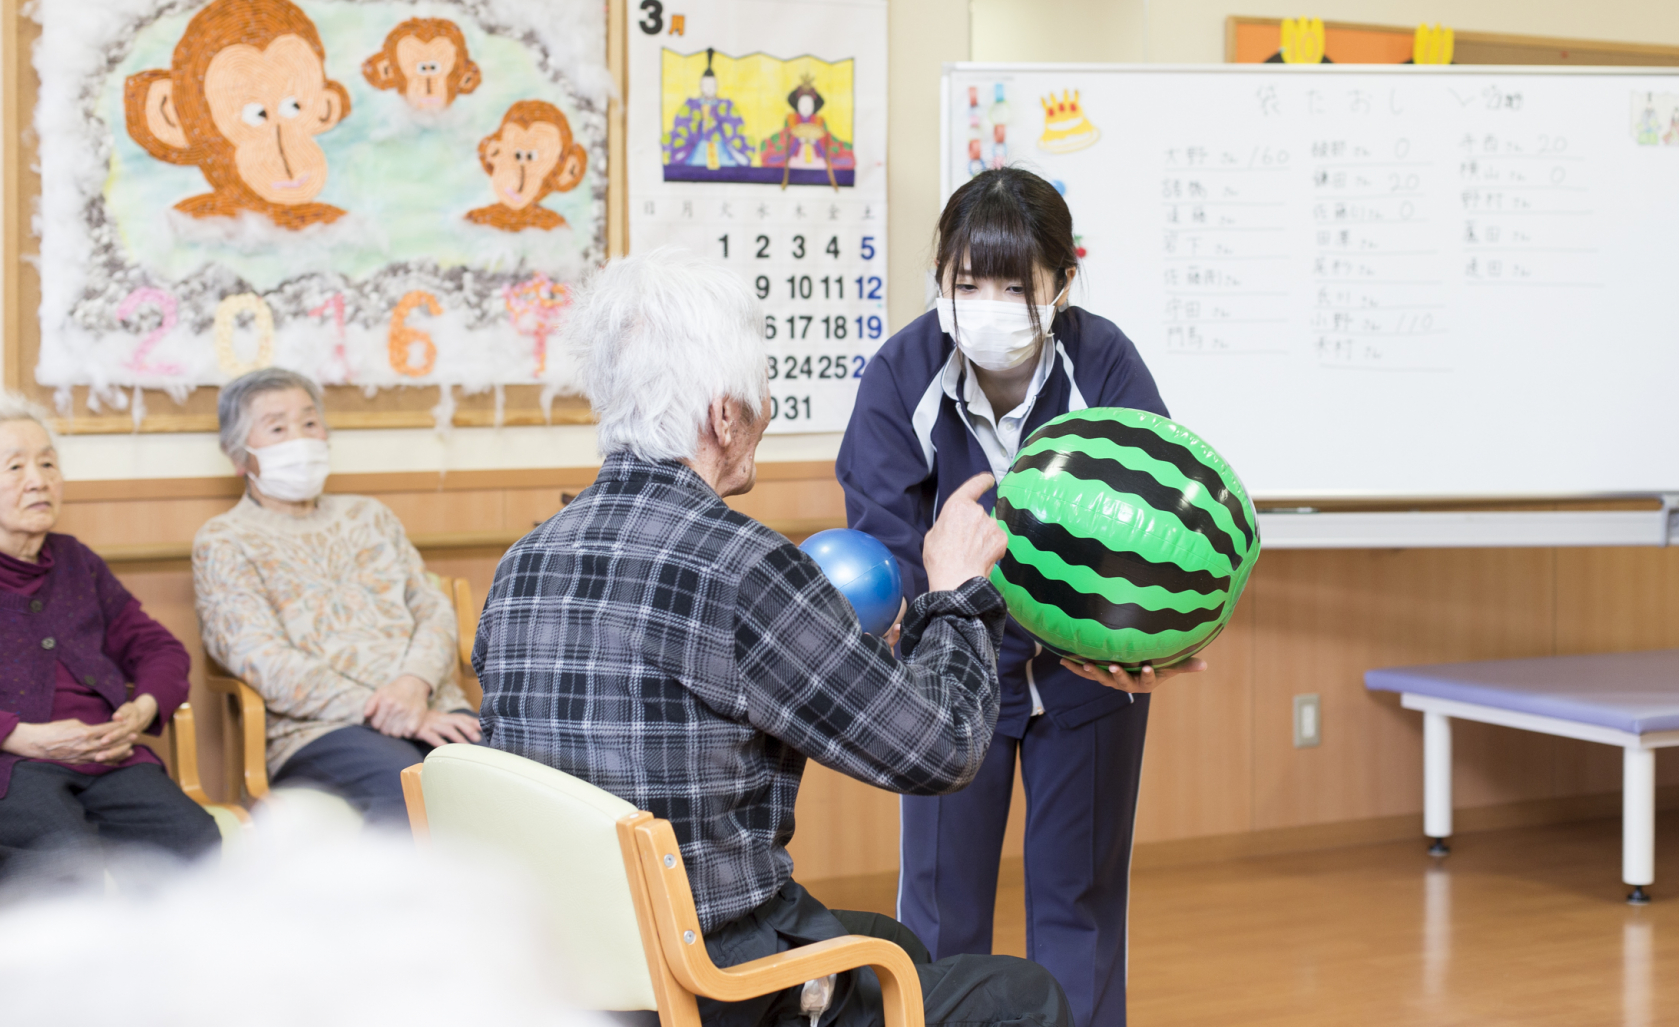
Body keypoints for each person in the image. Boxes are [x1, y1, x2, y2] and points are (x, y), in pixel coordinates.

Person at [475, 250, 1070, 1027]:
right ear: (724, 416)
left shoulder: (524, 560)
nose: (768, 411)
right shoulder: (743, 566)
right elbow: (944, 748)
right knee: (1024, 999)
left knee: (889, 940)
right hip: (707, 982)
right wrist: (956, 592)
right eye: (761, 395)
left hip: (559, 970)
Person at [837, 168, 1198, 1027]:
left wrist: (1149, 642)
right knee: (940, 911)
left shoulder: (1103, 360)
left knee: (1082, 904)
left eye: (1016, 285)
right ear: (941, 278)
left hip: (1084, 675)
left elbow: (1156, 526)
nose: (988, 304)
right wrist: (923, 616)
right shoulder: (902, 374)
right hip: (951, 674)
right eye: (968, 283)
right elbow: (887, 539)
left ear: (1062, 285)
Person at [192, 368, 478, 824]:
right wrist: (396, 714)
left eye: (309, 423)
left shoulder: (370, 516)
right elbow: (263, 661)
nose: (300, 438)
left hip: (431, 704)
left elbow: (433, 608)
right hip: (321, 729)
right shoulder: (224, 540)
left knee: (508, 784)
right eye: (277, 427)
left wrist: (413, 687)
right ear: (238, 456)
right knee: (408, 791)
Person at [0, 393, 220, 877]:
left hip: (109, 756)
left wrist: (141, 709)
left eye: (48, 463)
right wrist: (20, 736)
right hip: (12, 767)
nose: (38, 480)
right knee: (62, 860)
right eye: (15, 468)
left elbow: (158, 647)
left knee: (195, 839)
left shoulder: (76, 561)